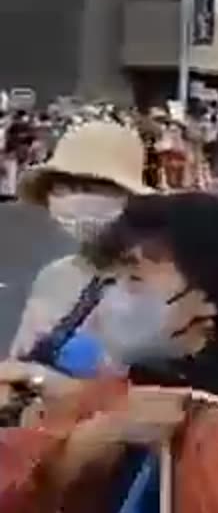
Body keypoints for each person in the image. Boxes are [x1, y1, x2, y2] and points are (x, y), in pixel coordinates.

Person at [0, 192, 218, 513]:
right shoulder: (139, 391)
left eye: (135, 279)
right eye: (113, 280)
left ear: (207, 299)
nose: (113, 298)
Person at [7, 121, 152, 359]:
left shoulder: (162, 283)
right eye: (63, 187)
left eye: (92, 186)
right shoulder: (54, 276)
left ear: (129, 197)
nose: (76, 198)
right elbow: (20, 360)